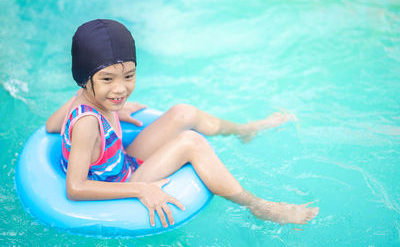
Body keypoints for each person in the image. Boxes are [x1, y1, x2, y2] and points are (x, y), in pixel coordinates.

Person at [46, 19, 319, 229]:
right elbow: (76, 188)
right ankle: (257, 205)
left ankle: (243, 130)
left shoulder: (85, 98)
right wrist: (141, 188)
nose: (121, 89)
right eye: (107, 79)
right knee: (192, 142)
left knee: (183, 112)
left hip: (120, 163)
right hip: (117, 182)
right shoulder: (87, 123)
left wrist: (111, 106)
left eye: (128, 76)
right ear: (84, 77)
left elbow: (51, 125)